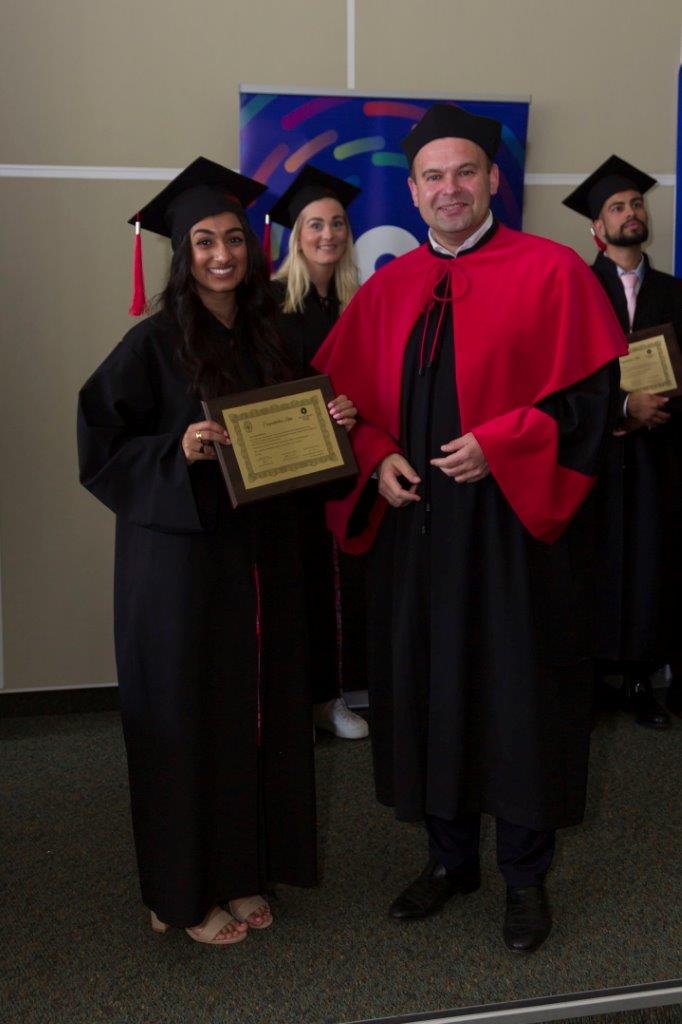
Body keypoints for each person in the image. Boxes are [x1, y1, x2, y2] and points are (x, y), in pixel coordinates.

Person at [313, 104, 626, 953]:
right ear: (413, 193)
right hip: (417, 538)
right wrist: (376, 455)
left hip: (516, 537)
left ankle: (524, 876)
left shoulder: (553, 272)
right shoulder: (387, 289)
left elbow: (592, 408)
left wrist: (504, 445)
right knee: (428, 691)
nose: (449, 188)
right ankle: (450, 860)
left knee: (517, 698)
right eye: (433, 177)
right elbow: (344, 410)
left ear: (492, 180)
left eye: (464, 172)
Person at [78, 157, 353, 945]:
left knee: (253, 715)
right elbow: (100, 447)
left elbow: (298, 440)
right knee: (185, 720)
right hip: (178, 565)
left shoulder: (271, 336)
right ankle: (178, 895)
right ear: (182, 253)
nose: (223, 254)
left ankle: (239, 871)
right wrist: (179, 448)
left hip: (258, 561)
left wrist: (333, 420)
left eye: (234, 239)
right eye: (204, 241)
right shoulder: (151, 344)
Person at [563, 156, 682, 725]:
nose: (631, 213)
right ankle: (587, 679)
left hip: (659, 456)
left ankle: (639, 679)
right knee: (592, 560)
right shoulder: (575, 289)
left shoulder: (674, 293)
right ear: (597, 227)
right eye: (617, 207)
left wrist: (660, 408)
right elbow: (560, 377)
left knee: (650, 562)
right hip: (595, 455)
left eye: (636, 204)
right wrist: (622, 406)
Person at [269, 166, 369, 740]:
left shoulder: (358, 302)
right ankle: (289, 706)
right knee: (292, 582)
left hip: (345, 467)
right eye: (315, 224)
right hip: (288, 470)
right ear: (297, 235)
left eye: (336, 224)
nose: (327, 234)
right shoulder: (271, 304)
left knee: (338, 583)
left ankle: (331, 698)